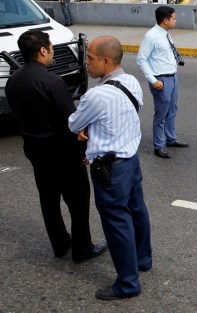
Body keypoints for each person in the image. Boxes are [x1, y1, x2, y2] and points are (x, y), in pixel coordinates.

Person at [4, 30, 107, 264]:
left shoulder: (13, 81)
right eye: (50, 48)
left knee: (49, 200)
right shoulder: (52, 82)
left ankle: (60, 244)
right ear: (42, 50)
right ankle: (82, 248)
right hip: (63, 153)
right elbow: (72, 123)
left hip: (35, 150)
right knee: (78, 202)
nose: (51, 51)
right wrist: (83, 152)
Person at [68, 36, 152, 301]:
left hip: (109, 169)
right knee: (137, 210)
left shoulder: (96, 95)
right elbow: (124, 115)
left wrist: (86, 130)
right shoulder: (131, 82)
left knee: (116, 223)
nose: (86, 63)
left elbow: (73, 123)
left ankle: (128, 284)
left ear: (106, 61)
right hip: (130, 160)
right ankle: (143, 259)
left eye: (90, 58)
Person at [136, 5, 188, 159]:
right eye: (174, 18)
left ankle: (171, 138)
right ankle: (159, 146)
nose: (175, 21)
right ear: (166, 20)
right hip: (161, 80)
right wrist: (153, 80)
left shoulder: (165, 34)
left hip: (172, 77)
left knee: (172, 110)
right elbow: (141, 59)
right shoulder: (151, 36)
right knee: (161, 114)